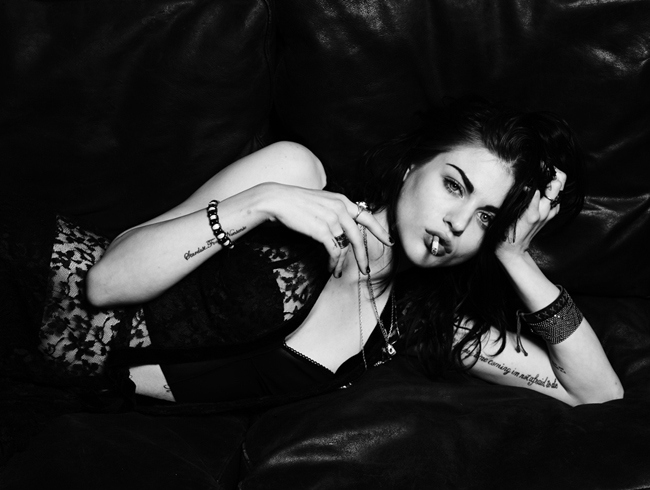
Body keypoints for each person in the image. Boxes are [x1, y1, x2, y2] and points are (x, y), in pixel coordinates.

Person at [41, 98, 622, 409]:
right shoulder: (296, 177)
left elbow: (596, 393)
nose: (458, 222)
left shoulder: (423, 326)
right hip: (34, 286)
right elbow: (106, 282)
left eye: (487, 217)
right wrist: (260, 203)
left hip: (63, 392)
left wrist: (516, 256)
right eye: (453, 185)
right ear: (413, 165)